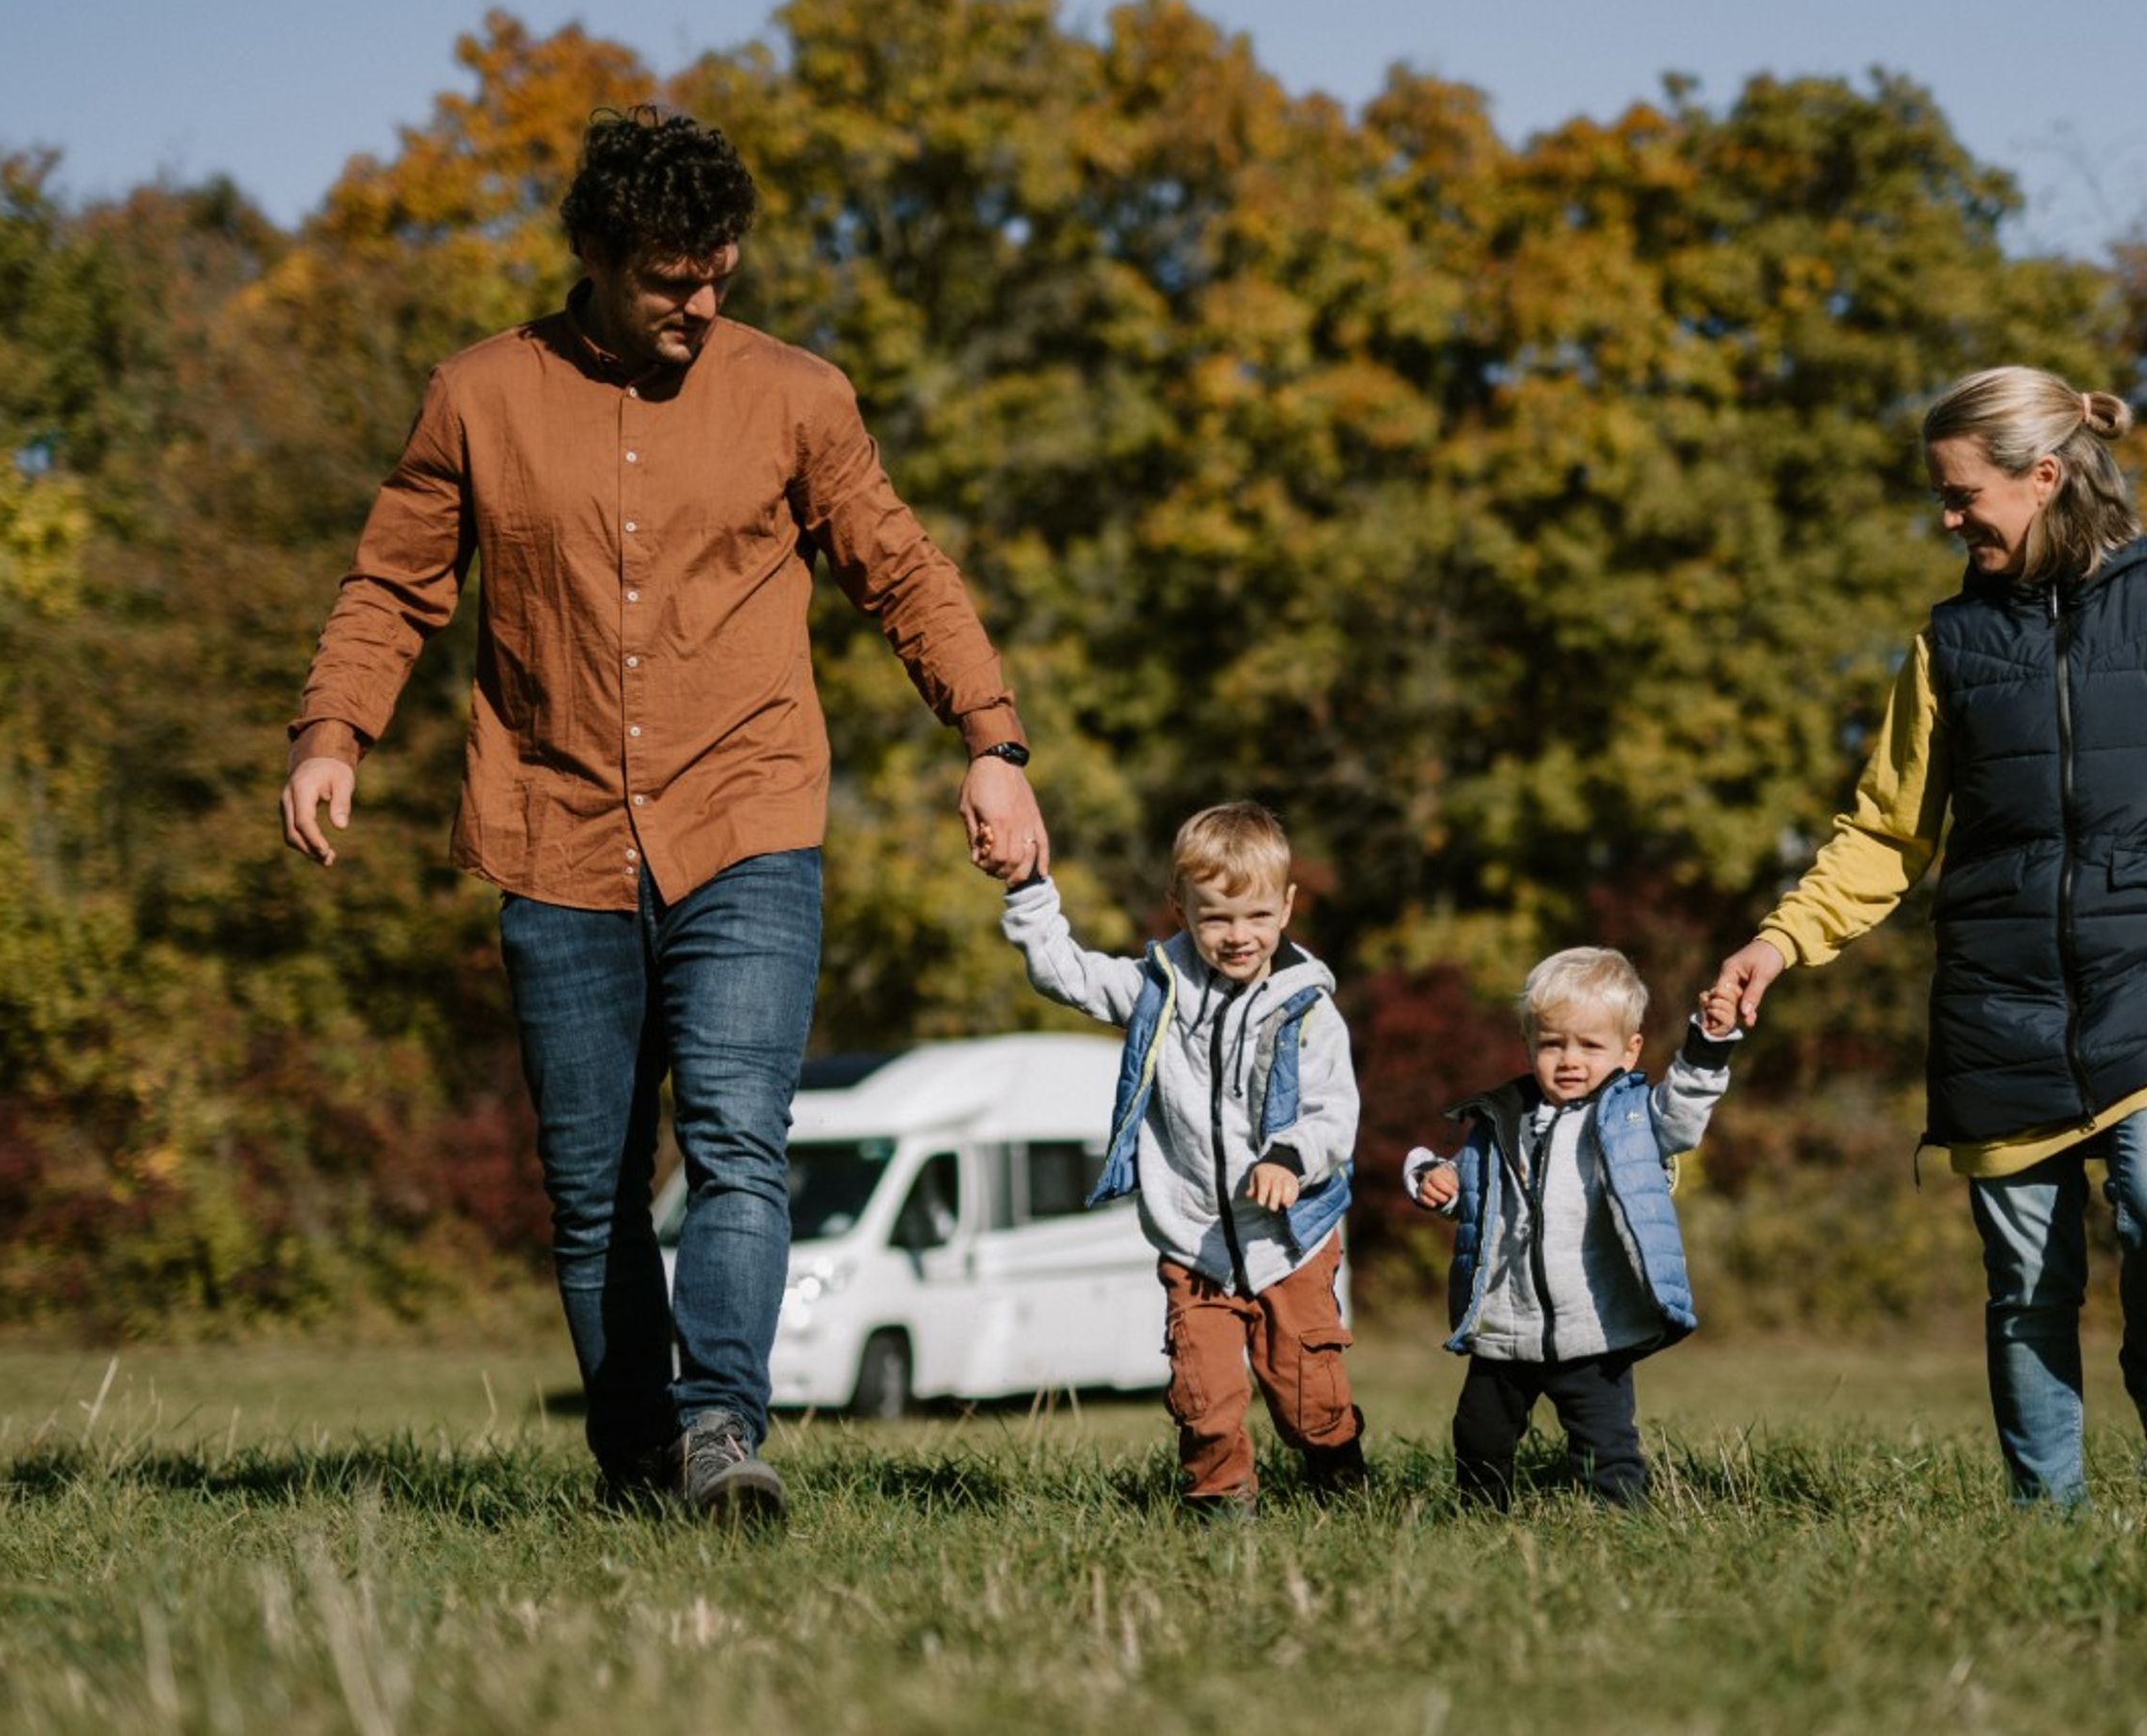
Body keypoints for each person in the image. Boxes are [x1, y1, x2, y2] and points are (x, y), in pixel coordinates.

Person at [279, 107, 1047, 1523]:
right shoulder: (479, 397)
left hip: (746, 815)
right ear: (594, 256)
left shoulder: (796, 395)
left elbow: (904, 573)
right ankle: (638, 1464)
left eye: (720, 272)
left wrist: (991, 740)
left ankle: (718, 1432)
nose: (702, 302)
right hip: (551, 825)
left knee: (742, 1139)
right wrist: (336, 733)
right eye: (669, 278)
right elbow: (393, 585)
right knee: (593, 1186)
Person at [1704, 365, 2147, 1513]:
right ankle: (2049, 1529)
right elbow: (1885, 832)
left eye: (1962, 493)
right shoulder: (1950, 645)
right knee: (2028, 1280)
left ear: (2045, 477)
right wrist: (1780, 942)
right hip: (2000, 989)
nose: (1948, 517)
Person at [997, 802, 1367, 1519]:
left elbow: (1334, 1113)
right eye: (1217, 918)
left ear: (1288, 907)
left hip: (1288, 1240)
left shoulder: (1309, 1010)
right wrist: (1028, 889)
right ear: (1180, 909)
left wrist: (1289, 1157)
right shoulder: (1156, 990)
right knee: (1205, 1393)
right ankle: (1220, 1504)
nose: (1239, 937)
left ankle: (1339, 1475)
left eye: (1258, 916)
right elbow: (1063, 974)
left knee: (1306, 1394)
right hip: (1193, 1238)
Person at [1406, 948, 1741, 1509]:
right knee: (1479, 1435)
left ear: (1629, 1049)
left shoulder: (1632, 1118)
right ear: (1529, 1045)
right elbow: (1470, 1194)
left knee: (1605, 1446)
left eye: (1590, 1045)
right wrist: (1432, 1179)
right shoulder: (1500, 1120)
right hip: (1508, 1323)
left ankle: (1623, 1529)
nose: (1570, 1060)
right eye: (1553, 1044)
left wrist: (1706, 1045)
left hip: (1594, 1326)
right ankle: (1477, 1522)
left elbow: (1684, 1112)